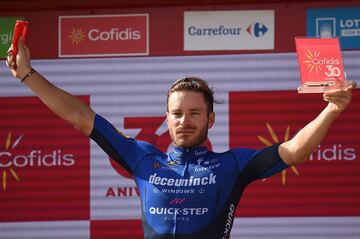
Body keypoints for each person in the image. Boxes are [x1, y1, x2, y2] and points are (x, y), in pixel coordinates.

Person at [6, 38, 356, 239]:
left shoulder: (232, 165)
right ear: (167, 119)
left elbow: (293, 151)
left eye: (194, 113)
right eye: (176, 114)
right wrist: (28, 75)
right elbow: (81, 117)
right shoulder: (141, 156)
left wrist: (332, 111)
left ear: (211, 119)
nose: (184, 121)